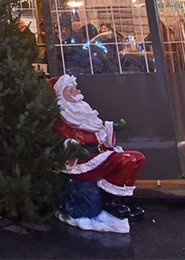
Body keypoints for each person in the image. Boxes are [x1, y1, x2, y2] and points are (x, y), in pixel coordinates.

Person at [53, 75, 145, 228]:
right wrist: (75, 149)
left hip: (100, 156)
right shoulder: (64, 119)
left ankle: (122, 201)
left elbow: (98, 125)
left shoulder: (84, 112)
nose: (76, 92)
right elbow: (61, 140)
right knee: (126, 160)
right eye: (70, 90)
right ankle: (111, 203)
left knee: (138, 158)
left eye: (75, 88)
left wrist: (112, 126)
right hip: (84, 164)